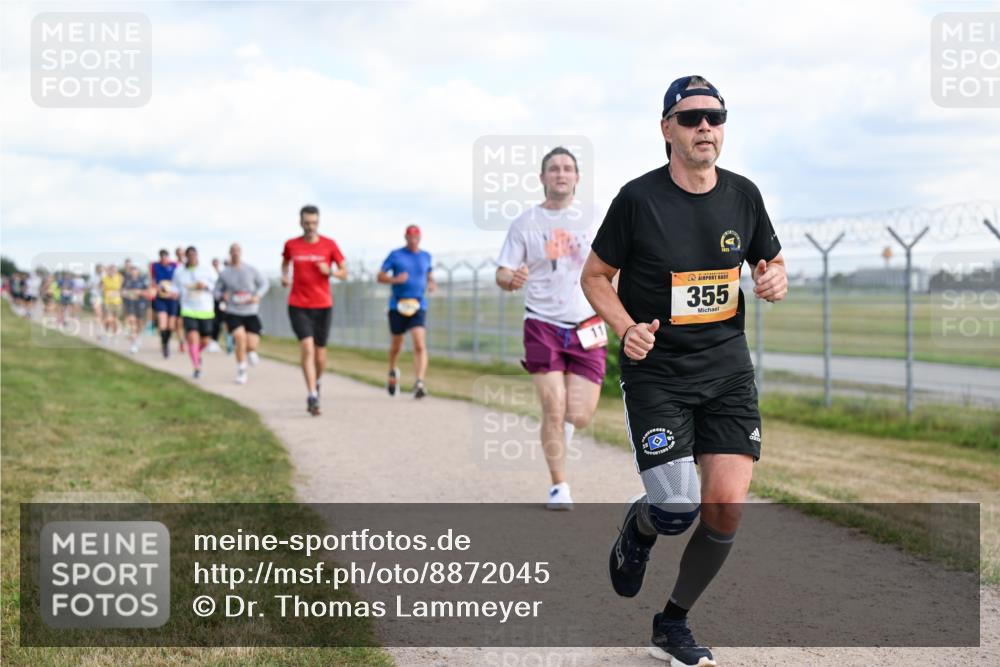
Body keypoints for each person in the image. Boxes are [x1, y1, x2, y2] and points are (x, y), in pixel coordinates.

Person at [581, 75, 788, 666]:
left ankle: (672, 622)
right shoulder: (638, 200)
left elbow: (770, 260)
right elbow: (595, 277)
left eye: (716, 118)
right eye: (692, 117)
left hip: (726, 374)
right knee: (676, 508)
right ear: (667, 128)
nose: (705, 127)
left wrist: (774, 276)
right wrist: (626, 329)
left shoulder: (744, 195)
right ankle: (642, 525)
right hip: (658, 374)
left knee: (724, 508)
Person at [495, 146, 607, 511]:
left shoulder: (595, 219)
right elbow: (502, 271)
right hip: (541, 323)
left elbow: (615, 268)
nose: (561, 174)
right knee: (553, 407)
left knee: (579, 414)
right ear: (542, 178)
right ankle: (559, 486)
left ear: (577, 178)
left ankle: (565, 427)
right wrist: (511, 279)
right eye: (554, 169)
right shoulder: (525, 224)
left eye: (567, 168)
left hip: (587, 325)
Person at [281, 204, 347, 416]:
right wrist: (284, 276)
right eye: (307, 223)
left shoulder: (329, 245)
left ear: (318, 223)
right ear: (300, 223)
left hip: (323, 305)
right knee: (307, 347)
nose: (310, 227)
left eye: (314, 223)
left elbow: (344, 271)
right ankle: (311, 395)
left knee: (320, 354)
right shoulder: (292, 245)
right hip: (298, 304)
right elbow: (285, 263)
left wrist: (331, 272)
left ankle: (317, 382)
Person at [377, 224, 436, 398]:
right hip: (398, 305)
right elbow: (379, 276)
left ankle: (419, 382)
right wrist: (395, 279)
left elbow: (429, 274)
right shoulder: (395, 255)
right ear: (405, 237)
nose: (413, 240)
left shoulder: (426, 256)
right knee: (397, 344)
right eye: (410, 237)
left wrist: (431, 283)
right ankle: (392, 371)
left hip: (418, 305)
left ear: (420, 238)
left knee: (419, 343)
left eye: (416, 237)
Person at [215, 243, 269, 384]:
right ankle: (241, 371)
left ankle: (251, 352)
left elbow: (264, 284)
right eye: (232, 251)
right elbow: (216, 291)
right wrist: (222, 296)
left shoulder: (250, 270)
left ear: (241, 253)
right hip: (233, 311)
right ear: (229, 253)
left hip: (250, 311)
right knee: (240, 339)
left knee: (251, 345)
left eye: (237, 251)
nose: (235, 253)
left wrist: (257, 295)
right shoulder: (225, 273)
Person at [175, 246, 217, 379]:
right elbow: (175, 287)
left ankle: (195, 354)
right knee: (193, 337)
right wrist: (170, 292)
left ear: (197, 255)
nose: (192, 257)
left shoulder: (207, 269)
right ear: (186, 256)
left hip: (205, 308)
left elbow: (217, 285)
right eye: (189, 255)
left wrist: (205, 286)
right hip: (188, 308)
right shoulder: (180, 271)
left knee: (205, 341)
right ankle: (196, 367)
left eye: (194, 254)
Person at [150, 249, 181, 358]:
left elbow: (179, 281)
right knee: (162, 323)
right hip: (161, 298)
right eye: (162, 258)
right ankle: (164, 345)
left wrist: (176, 293)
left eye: (166, 257)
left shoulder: (175, 266)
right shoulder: (155, 266)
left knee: (171, 325)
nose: (164, 260)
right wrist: (157, 288)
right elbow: (153, 281)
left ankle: (166, 341)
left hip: (172, 299)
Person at [122, 264, 150, 354]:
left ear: (138, 273)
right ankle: (133, 344)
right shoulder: (127, 282)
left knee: (140, 324)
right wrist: (129, 293)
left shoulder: (142, 281)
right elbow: (122, 292)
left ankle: (138, 337)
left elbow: (148, 292)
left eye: (135, 272)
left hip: (141, 304)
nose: (134, 273)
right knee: (132, 322)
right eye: (132, 272)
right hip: (130, 304)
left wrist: (140, 292)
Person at [101, 264, 124, 339]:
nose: (113, 271)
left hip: (117, 302)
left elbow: (122, 289)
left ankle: (114, 334)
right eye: (111, 270)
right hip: (107, 301)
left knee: (115, 319)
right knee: (108, 318)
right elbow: (102, 288)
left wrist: (117, 293)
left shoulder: (120, 277)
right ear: (109, 270)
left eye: (114, 270)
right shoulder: (105, 278)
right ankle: (107, 331)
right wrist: (106, 291)